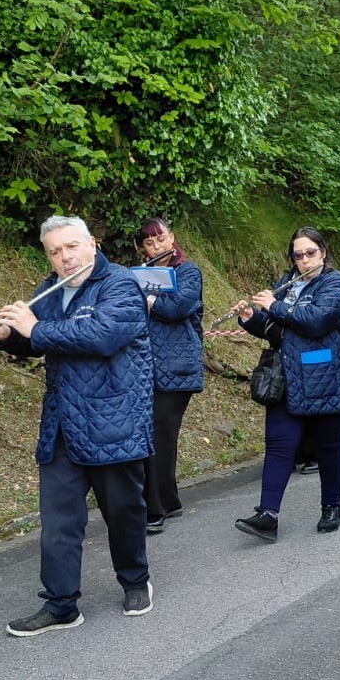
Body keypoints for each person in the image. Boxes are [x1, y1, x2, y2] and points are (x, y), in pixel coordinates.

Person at [0, 215, 154, 636]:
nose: (65, 257)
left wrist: (36, 329)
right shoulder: (48, 291)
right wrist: (5, 336)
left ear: (92, 242)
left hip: (113, 421)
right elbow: (36, 341)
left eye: (71, 246)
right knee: (57, 522)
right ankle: (61, 604)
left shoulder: (121, 284)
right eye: (55, 251)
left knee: (124, 512)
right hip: (62, 424)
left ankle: (135, 580)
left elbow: (102, 336)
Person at [234, 227, 340, 542]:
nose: (303, 261)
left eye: (309, 253)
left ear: (323, 252)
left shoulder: (336, 284)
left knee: (328, 445)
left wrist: (275, 306)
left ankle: (332, 505)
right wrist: (251, 317)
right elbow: (273, 328)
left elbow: (315, 321)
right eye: (298, 255)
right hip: (286, 375)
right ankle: (268, 515)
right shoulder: (286, 284)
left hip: (324, 375)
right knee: (278, 444)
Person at [136, 217, 203, 533]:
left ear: (172, 238)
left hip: (177, 366)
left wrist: (149, 299)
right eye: (149, 242)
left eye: (160, 239)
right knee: (151, 434)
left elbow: (178, 306)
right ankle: (166, 501)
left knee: (160, 433)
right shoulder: (140, 274)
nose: (156, 246)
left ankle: (156, 508)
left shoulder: (188, 272)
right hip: (145, 367)